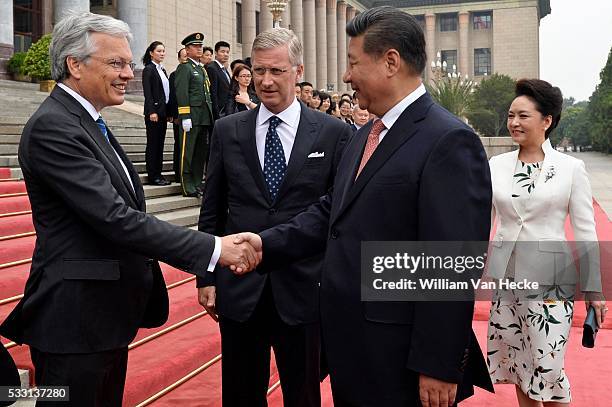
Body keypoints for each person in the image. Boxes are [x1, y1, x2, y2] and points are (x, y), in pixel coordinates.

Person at [236, 6, 494, 406]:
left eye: (353, 62)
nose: (345, 76)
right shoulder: (364, 135)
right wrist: (265, 245)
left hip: (402, 358)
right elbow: (331, 213)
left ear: (390, 62)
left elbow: (452, 262)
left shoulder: (448, 141)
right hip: (353, 347)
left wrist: (439, 363)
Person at [0, 12, 260, 406]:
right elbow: (114, 218)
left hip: (101, 320)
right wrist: (214, 249)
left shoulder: (88, 122)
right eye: (116, 63)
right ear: (75, 64)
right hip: (74, 324)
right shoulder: (55, 126)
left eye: (129, 62)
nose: (128, 73)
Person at [197, 28, 352, 407]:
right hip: (238, 285)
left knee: (302, 393)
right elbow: (213, 208)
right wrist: (206, 276)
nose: (265, 81)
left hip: (303, 287)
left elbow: (338, 213)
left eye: (277, 71)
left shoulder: (332, 133)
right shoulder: (227, 129)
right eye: (258, 69)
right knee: (240, 392)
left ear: (297, 71)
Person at [486, 78, 606, 406]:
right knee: (520, 368)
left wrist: (594, 288)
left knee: (549, 372)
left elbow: (586, 231)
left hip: (550, 284)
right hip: (507, 281)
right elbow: (487, 220)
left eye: (523, 116)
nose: (514, 123)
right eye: (511, 115)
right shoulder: (496, 165)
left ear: (547, 120)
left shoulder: (570, 169)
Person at [174, 32, 215, 197]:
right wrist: (185, 116)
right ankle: (187, 185)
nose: (199, 49)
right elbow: (182, 93)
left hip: (203, 117)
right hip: (191, 116)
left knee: (200, 153)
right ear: (187, 49)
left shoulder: (201, 69)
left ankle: (197, 183)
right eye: (195, 46)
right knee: (188, 152)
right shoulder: (184, 68)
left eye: (201, 46)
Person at [141, 41, 171, 186]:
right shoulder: (149, 69)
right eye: (159, 51)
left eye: (163, 51)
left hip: (163, 113)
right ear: (151, 53)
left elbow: (166, 94)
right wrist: (152, 111)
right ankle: (153, 176)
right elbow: (148, 93)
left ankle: (159, 174)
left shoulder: (162, 70)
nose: (162, 53)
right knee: (153, 144)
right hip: (154, 114)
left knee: (160, 144)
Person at [168, 47, 187, 179]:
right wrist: (174, 115)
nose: (186, 58)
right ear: (179, 58)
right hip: (179, 116)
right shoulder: (175, 74)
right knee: (179, 144)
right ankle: (178, 172)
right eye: (183, 56)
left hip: (192, 117)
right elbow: (173, 96)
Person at [207, 40, 232, 117]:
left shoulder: (224, 69)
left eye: (227, 52)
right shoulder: (212, 68)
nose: (226, 54)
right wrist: (216, 114)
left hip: (227, 110)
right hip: (219, 112)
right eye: (223, 51)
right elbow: (213, 93)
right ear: (216, 53)